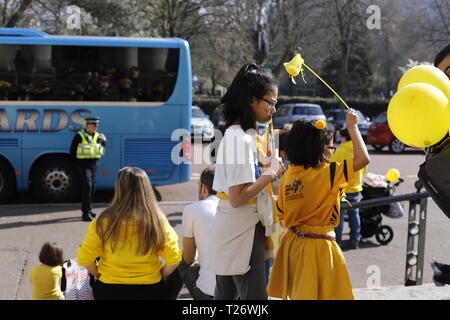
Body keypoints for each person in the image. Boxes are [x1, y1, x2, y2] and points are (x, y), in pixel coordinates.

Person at [268, 110, 370, 300]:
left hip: (293, 244)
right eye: (331, 147)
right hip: (319, 247)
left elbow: (282, 214)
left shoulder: (289, 174)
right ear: (320, 149)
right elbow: (363, 159)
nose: (332, 151)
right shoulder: (329, 173)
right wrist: (352, 127)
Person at [208, 63, 284, 300]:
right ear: (252, 100)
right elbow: (238, 197)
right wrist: (270, 173)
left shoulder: (236, 134)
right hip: (243, 230)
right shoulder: (241, 139)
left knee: (225, 296)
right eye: (270, 102)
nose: (273, 109)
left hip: (230, 227)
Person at [77, 167, 182, 300]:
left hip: (109, 289)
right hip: (149, 290)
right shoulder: (157, 221)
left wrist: (98, 274)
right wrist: (160, 275)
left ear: (119, 188)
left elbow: (84, 258)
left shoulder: (103, 221)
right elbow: (174, 259)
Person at [178, 165, 219, 300]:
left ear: (203, 187)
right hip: (238, 290)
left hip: (208, 290)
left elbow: (189, 258)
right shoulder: (237, 207)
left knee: (182, 263)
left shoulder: (193, 209)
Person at [331, 128, 368, 249]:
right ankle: (355, 240)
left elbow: (331, 168)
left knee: (339, 217)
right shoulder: (360, 149)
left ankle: (338, 241)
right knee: (354, 215)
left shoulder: (340, 151)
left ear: (344, 138)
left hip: (342, 189)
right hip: (356, 187)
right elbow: (364, 166)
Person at [70, 117, 106, 222]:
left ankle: (89, 209)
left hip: (94, 164)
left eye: (97, 125)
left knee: (93, 187)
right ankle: (85, 213)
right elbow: (72, 151)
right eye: (94, 125)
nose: (96, 127)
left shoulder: (97, 136)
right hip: (83, 165)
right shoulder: (79, 135)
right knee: (87, 186)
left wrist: (103, 141)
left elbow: (101, 151)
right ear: (87, 125)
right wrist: (77, 165)